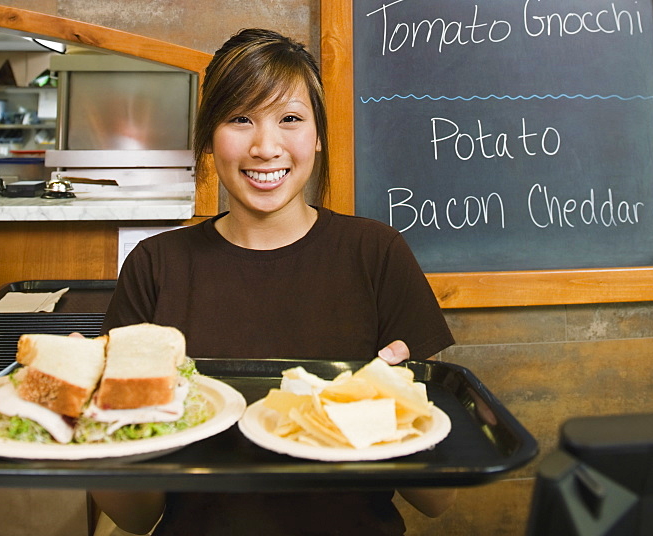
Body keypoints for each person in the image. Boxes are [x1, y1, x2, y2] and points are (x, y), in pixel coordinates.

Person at [93, 29, 455, 536]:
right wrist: (94, 421)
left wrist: (390, 402)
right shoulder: (157, 264)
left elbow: (436, 498)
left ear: (317, 135)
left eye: (290, 119)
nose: (265, 147)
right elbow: (136, 517)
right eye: (240, 119)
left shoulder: (376, 254)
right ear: (208, 137)